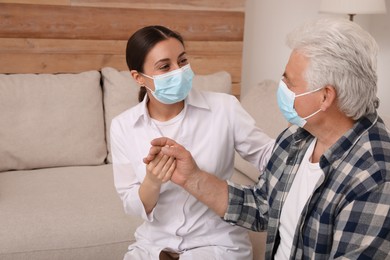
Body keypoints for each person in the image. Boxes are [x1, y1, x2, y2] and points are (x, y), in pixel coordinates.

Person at [144, 18, 390, 259]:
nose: (280, 86)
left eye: (289, 81)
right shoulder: (298, 136)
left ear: (325, 97)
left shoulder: (376, 176)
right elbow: (263, 207)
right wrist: (191, 178)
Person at [110, 25, 275, 259]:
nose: (179, 71)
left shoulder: (224, 108)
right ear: (138, 77)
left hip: (217, 244)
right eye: (165, 66)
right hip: (154, 245)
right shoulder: (123, 126)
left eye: (182, 61)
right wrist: (153, 182)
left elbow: (270, 157)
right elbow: (131, 204)